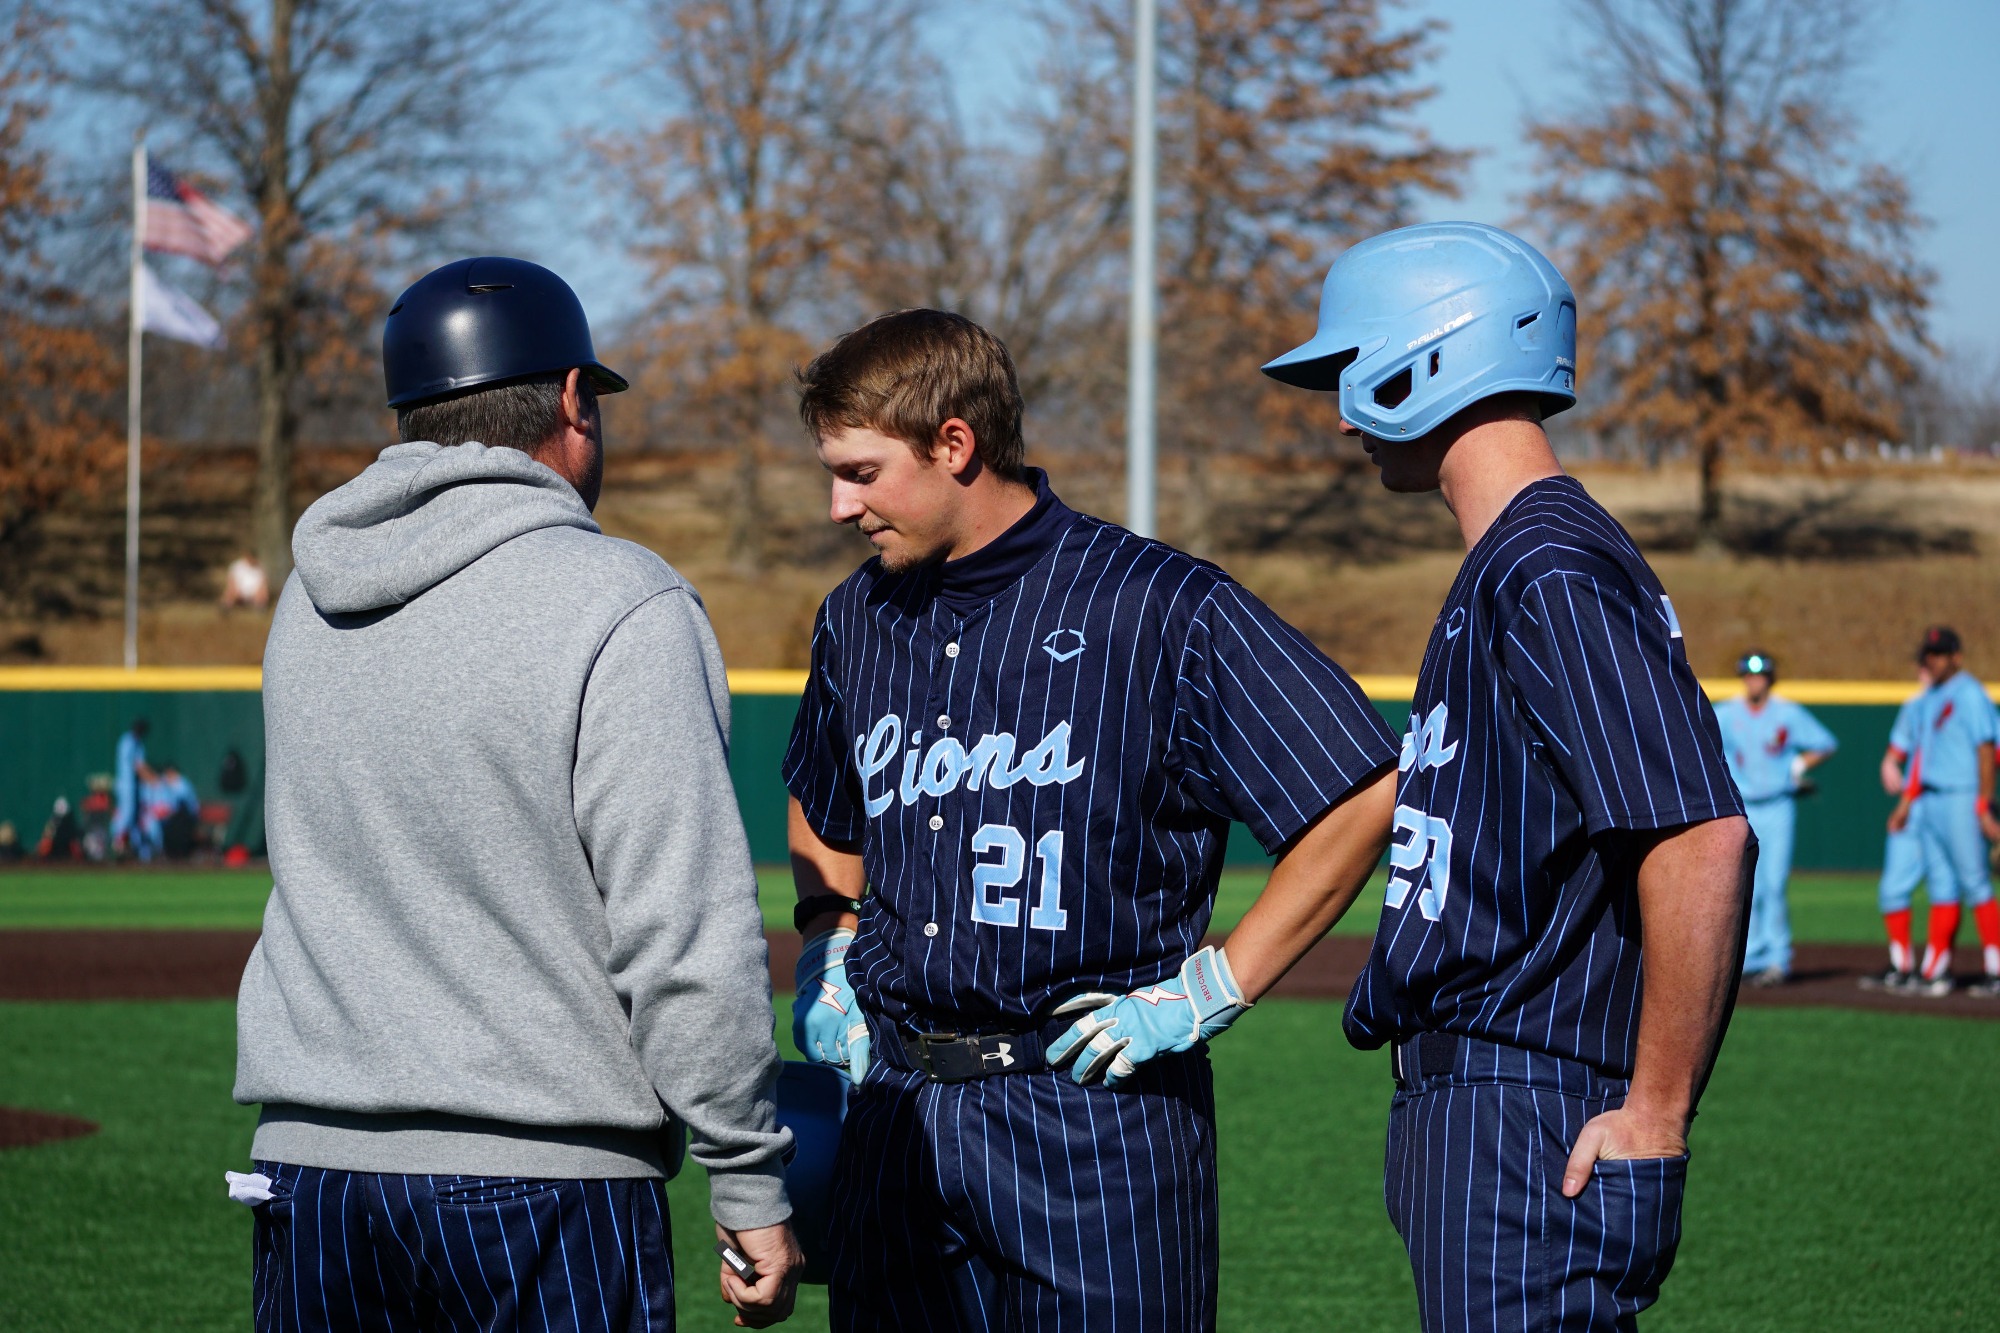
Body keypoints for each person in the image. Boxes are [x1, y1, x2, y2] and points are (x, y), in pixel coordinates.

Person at [783, 308, 1399, 1330]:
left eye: (859, 472)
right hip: (896, 1111)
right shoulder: (856, 615)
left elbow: (1355, 792)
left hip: (1089, 1118)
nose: (839, 506)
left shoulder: (1160, 604)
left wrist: (1213, 986)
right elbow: (821, 803)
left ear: (953, 443)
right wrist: (825, 949)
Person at [233, 256, 801, 1332]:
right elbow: (681, 934)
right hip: (542, 1182)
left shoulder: (308, 598)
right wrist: (746, 1174)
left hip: (306, 1177)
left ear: (408, 414)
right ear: (575, 401)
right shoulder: (621, 600)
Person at [1265, 221, 1753, 1332]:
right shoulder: (1513, 559)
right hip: (1482, 1102)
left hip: (1526, 1102)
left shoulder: (1547, 562)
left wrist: (1656, 1112)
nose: (1339, 412)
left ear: (1428, 356)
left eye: (1352, 369)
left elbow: (1698, 836)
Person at [1882, 626, 2000, 998]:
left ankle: (1996, 969)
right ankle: (1937, 971)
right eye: (1927, 655)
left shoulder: (1969, 693)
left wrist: (1983, 804)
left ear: (1956, 657)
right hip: (1929, 799)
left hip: (1960, 796)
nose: (1930, 660)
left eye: (1937, 654)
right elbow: (1919, 761)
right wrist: (1907, 803)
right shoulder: (1930, 698)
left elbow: (1986, 750)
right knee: (1942, 887)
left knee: (1976, 882)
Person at [1711, 652, 1837, 986]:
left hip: (1778, 805)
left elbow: (1826, 743)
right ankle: (1749, 957)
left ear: (1770, 679)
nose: (1755, 681)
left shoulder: (1786, 713)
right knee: (1744, 884)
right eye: (1749, 676)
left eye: (1761, 675)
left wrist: (1799, 765)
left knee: (1774, 884)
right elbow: (1703, 740)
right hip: (1742, 807)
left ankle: (1777, 958)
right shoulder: (1727, 713)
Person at [1863, 661, 1934, 991]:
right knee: (1892, 890)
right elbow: (1899, 750)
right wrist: (1889, 762)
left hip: (1949, 805)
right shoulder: (1915, 705)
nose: (1927, 668)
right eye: (1924, 660)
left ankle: (1940, 969)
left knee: (1961, 889)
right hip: (1915, 806)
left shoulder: (1967, 700)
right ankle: (1902, 965)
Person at [110, 718, 156, 856]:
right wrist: (153, 778)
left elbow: (140, 765)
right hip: (125, 784)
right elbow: (138, 766)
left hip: (135, 786)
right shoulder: (127, 741)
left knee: (135, 818)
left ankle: (137, 850)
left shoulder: (138, 743)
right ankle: (117, 841)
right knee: (127, 814)